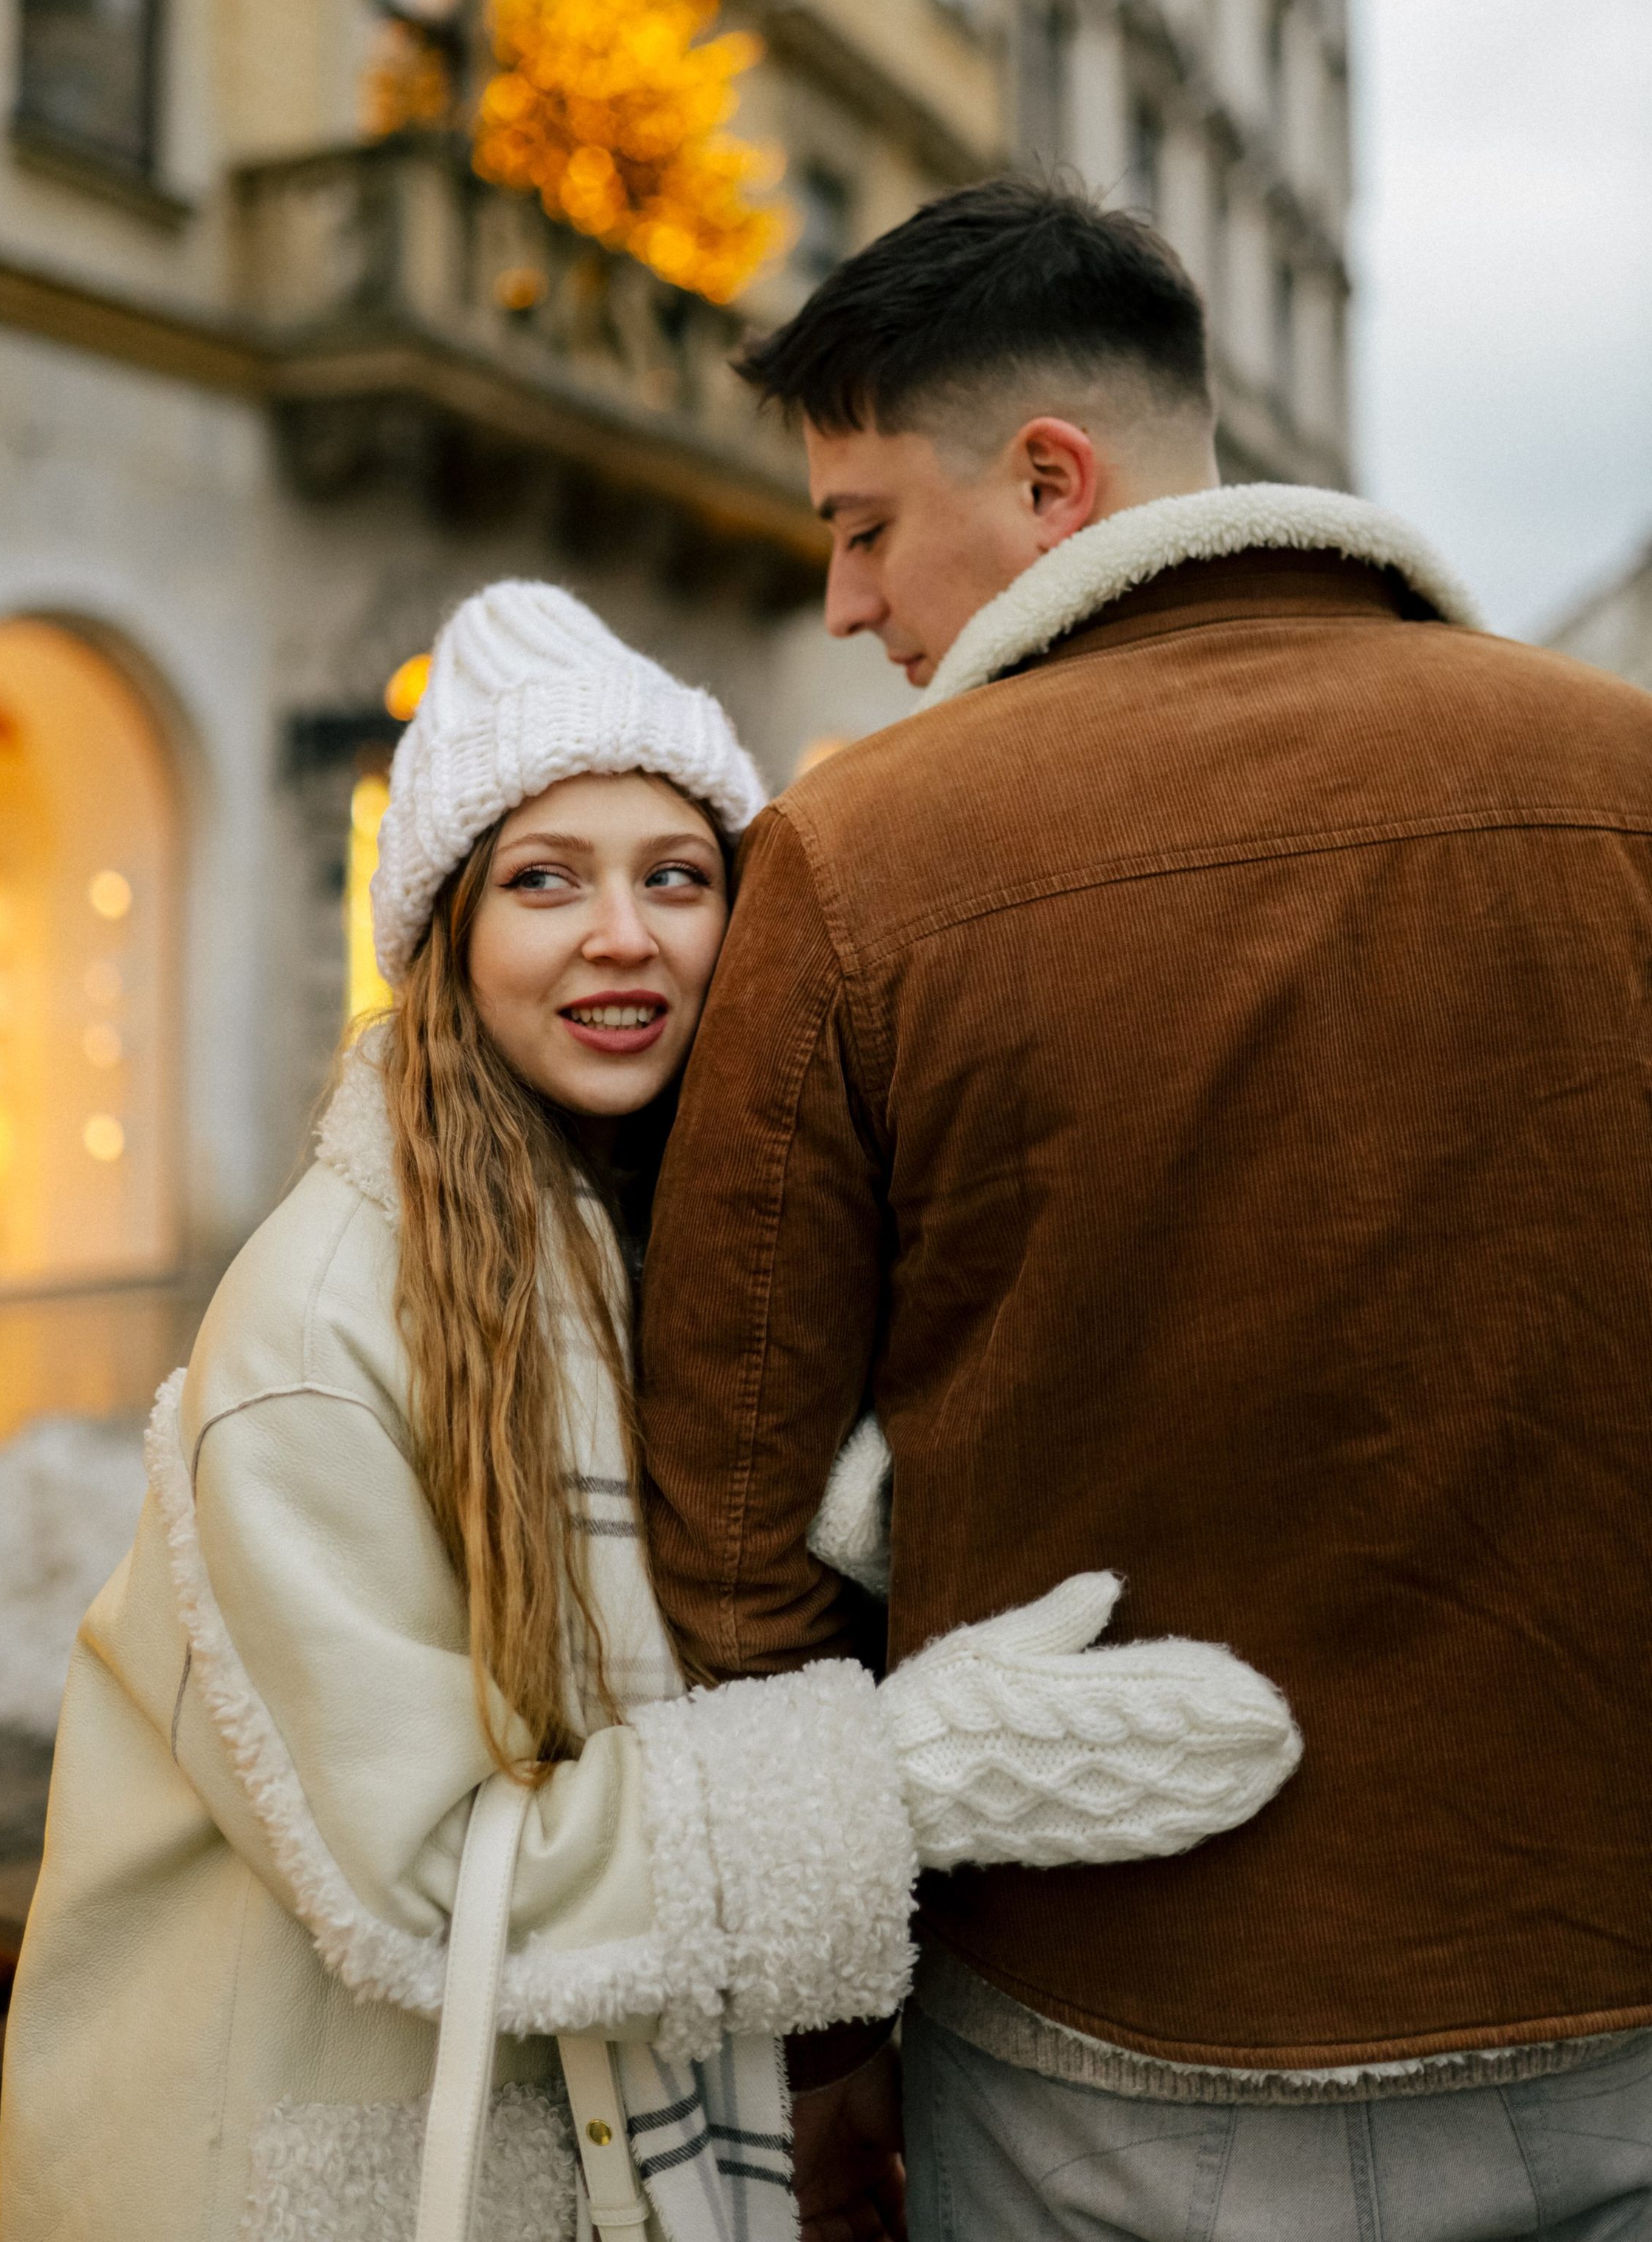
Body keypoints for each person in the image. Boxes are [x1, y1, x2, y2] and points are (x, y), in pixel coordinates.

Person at [0, 579, 1299, 2242]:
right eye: (545, 880)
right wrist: (901, 1777)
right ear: (448, 935)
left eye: (674, 877)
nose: (622, 934)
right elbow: (431, 1876)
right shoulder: (326, 1317)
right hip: (299, 2151)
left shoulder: (682, 1235)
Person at [638, 178, 1652, 2240]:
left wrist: (826, 2039)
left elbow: (728, 1531)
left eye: (860, 526)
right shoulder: (1625, 778)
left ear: (1044, 482)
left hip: (1099, 2045)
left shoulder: (860, 858)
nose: (845, 603)